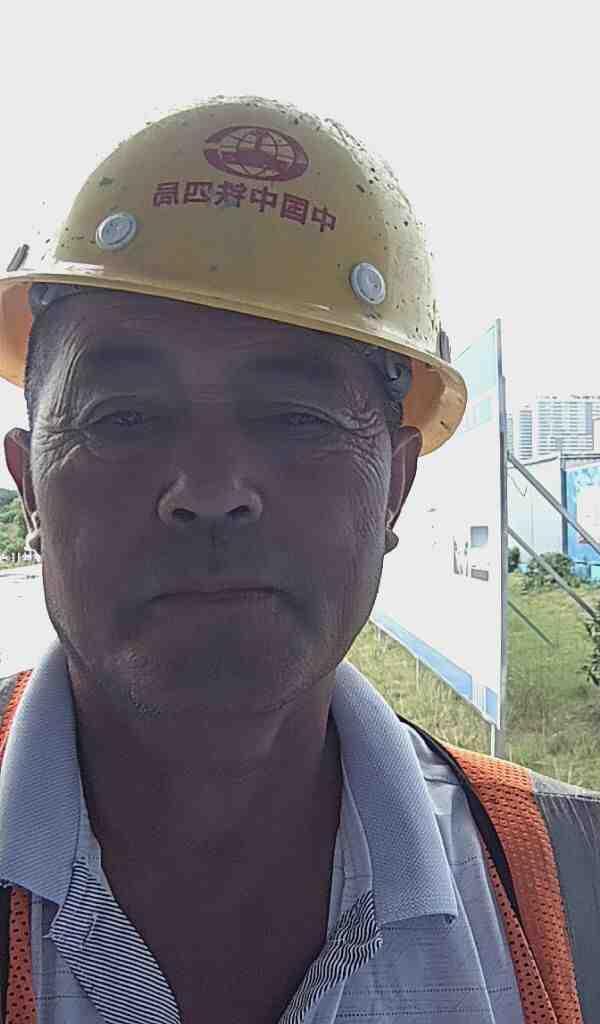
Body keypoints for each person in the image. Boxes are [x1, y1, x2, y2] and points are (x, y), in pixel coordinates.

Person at [0, 98, 597, 1024]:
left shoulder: (571, 884)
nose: (210, 490)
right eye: (125, 417)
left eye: (295, 419)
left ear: (395, 487)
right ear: (30, 487)